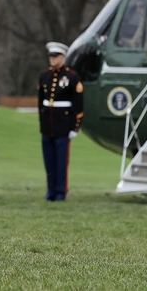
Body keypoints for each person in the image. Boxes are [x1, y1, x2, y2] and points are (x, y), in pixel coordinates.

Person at [37, 42, 84, 201]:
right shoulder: (44, 76)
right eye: (51, 56)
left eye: (55, 56)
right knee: (49, 162)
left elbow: (78, 104)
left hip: (63, 126)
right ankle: (50, 190)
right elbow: (40, 103)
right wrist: (41, 123)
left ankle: (60, 191)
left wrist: (75, 127)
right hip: (47, 126)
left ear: (63, 57)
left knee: (61, 162)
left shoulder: (71, 76)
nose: (52, 59)